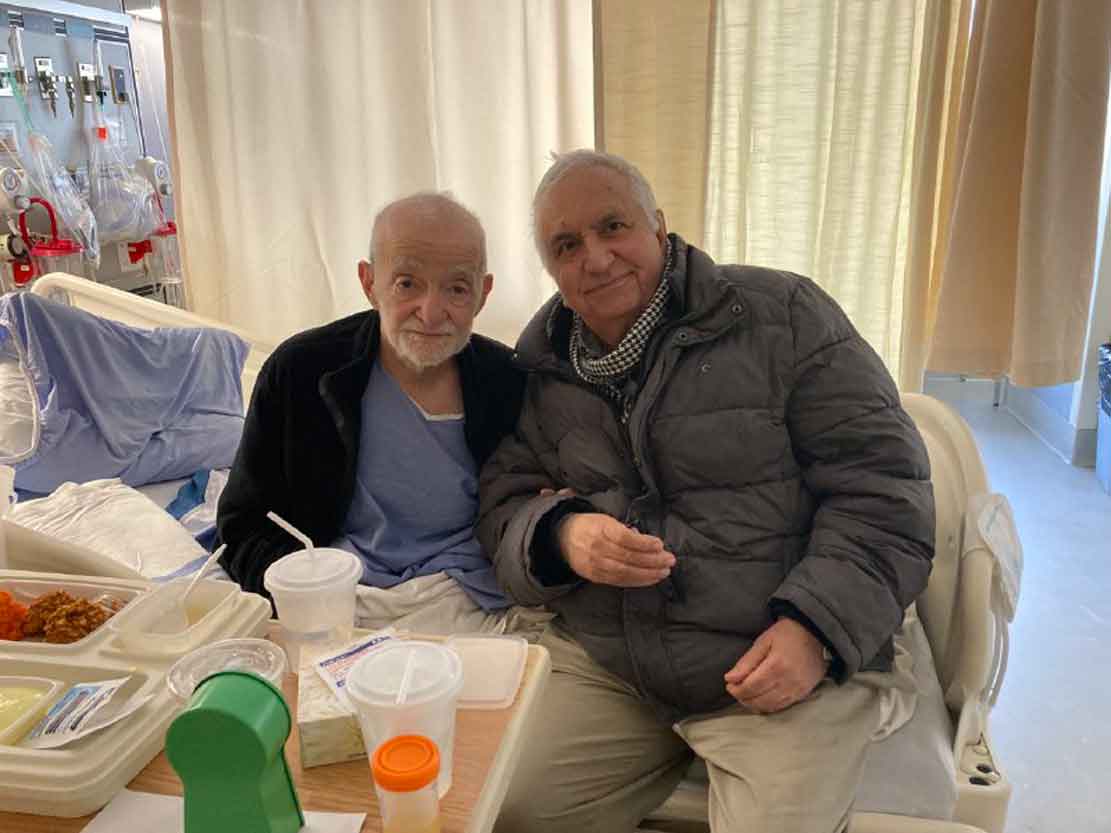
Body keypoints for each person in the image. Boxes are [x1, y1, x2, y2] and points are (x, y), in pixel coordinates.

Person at [478, 150, 935, 833]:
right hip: (616, 664)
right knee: (496, 809)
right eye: (566, 245)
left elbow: (886, 488)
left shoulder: (786, 316)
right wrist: (561, 534)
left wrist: (815, 629)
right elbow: (502, 501)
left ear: (659, 227)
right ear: (549, 268)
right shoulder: (543, 365)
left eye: (613, 226)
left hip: (773, 658)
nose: (596, 258)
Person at [218, 192, 528, 634]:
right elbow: (242, 525)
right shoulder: (300, 373)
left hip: (475, 595)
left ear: (483, 294)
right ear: (369, 283)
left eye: (457, 288)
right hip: (340, 600)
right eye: (407, 283)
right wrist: (302, 590)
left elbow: (530, 513)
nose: (431, 313)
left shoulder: (509, 383)